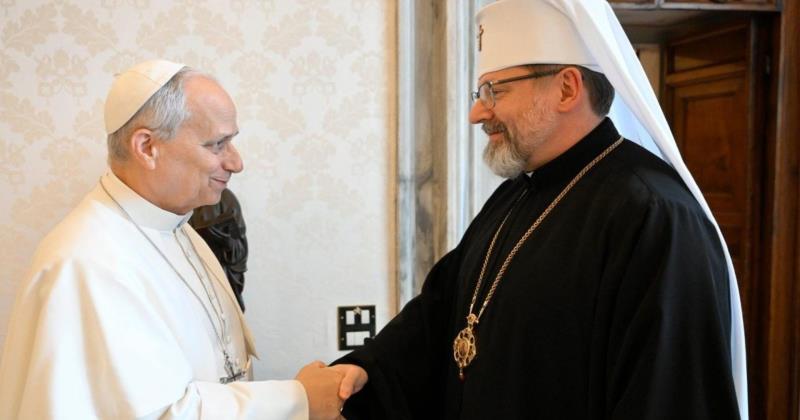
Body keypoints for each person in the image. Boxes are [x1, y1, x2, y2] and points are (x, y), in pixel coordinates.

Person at [332, 0, 748, 419]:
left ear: (567, 88)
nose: (477, 113)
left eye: (495, 91)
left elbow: (669, 395)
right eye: (480, 92)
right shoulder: (516, 194)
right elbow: (442, 314)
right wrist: (365, 371)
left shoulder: (655, 215)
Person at [0, 60, 345, 420]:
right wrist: (298, 399)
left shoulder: (175, 224)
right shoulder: (86, 263)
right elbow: (158, 413)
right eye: (218, 144)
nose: (236, 162)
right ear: (147, 147)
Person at [190, 188, 249, 311]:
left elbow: (240, 249)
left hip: (222, 274)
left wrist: (226, 241)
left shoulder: (227, 198)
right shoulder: (183, 197)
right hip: (193, 275)